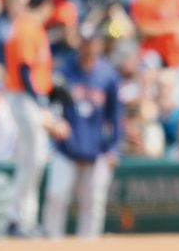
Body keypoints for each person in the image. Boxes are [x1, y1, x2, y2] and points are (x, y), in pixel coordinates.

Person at [42, 24, 122, 239]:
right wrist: (54, 124)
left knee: (93, 204)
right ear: (79, 43)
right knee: (56, 197)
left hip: (96, 151)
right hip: (66, 148)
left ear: (99, 44)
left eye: (92, 42)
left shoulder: (107, 75)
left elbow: (115, 115)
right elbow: (50, 104)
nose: (88, 47)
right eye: (85, 42)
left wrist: (114, 147)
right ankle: (49, 244)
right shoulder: (64, 71)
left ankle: (90, 249)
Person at [4, 0, 68, 236]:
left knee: (30, 158)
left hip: (25, 97)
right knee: (35, 158)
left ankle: (20, 218)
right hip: (24, 97)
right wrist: (41, 103)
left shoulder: (27, 26)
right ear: (45, 5)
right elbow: (24, 70)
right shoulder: (27, 27)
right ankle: (21, 219)